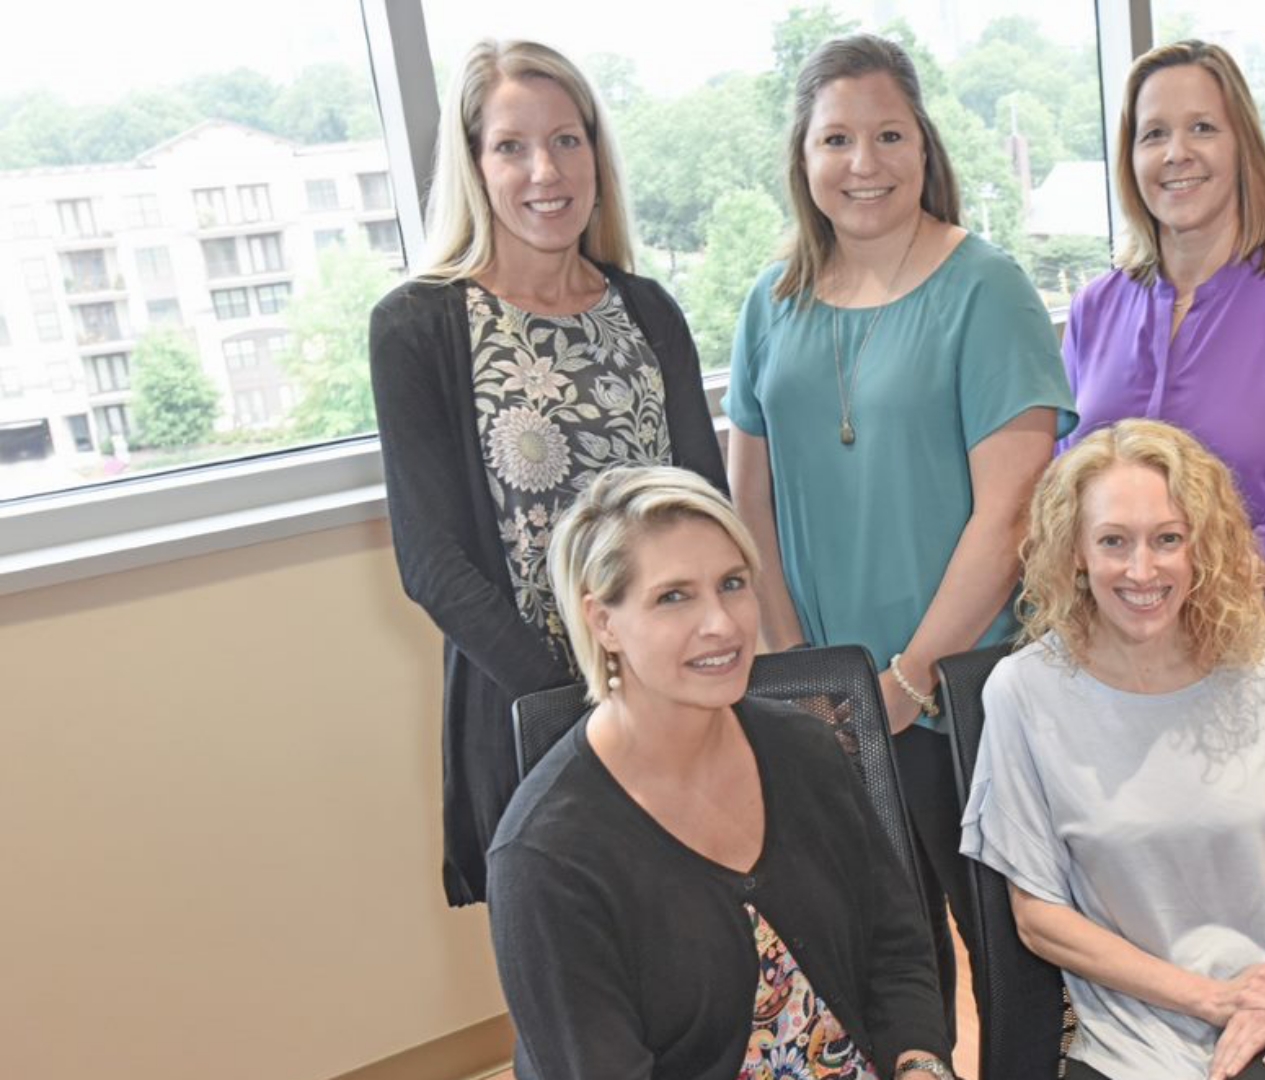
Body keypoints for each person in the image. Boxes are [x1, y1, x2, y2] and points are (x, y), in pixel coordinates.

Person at [724, 32, 1076, 1018]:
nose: (864, 163)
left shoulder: (987, 288)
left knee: (1009, 951)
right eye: (836, 139)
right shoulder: (770, 301)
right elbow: (746, 504)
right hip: (822, 703)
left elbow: (1012, 509)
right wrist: (800, 672)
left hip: (963, 686)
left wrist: (906, 683)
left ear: (925, 144)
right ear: (803, 159)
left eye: (888, 134)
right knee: (884, 955)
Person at [961, 420, 1265, 1080]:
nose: (1143, 570)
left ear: (1201, 545)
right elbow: (1039, 918)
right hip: (1145, 1037)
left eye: (1168, 539)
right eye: (1113, 542)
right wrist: (1217, 999)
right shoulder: (1026, 693)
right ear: (1074, 550)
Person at [369, 39, 725, 907]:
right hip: (533, 711)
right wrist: (578, 702)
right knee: (575, 997)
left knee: (710, 974)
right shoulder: (419, 326)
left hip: (679, 694)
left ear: (597, 154)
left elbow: (705, 511)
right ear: (474, 165)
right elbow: (432, 563)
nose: (545, 171)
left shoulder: (647, 311)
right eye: (511, 146)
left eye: (567, 140)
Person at [489, 466, 956, 1080]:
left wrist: (919, 1063)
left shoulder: (807, 747)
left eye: (732, 584)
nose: (724, 623)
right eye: (674, 596)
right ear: (603, 622)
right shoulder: (546, 858)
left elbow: (895, 948)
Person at [1062, 40, 1265, 767]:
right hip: (1130, 660)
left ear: (1242, 142)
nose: (1177, 153)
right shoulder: (1097, 308)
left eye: (1201, 128)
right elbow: (1068, 481)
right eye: (1154, 134)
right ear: (1131, 160)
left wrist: (1214, 572)